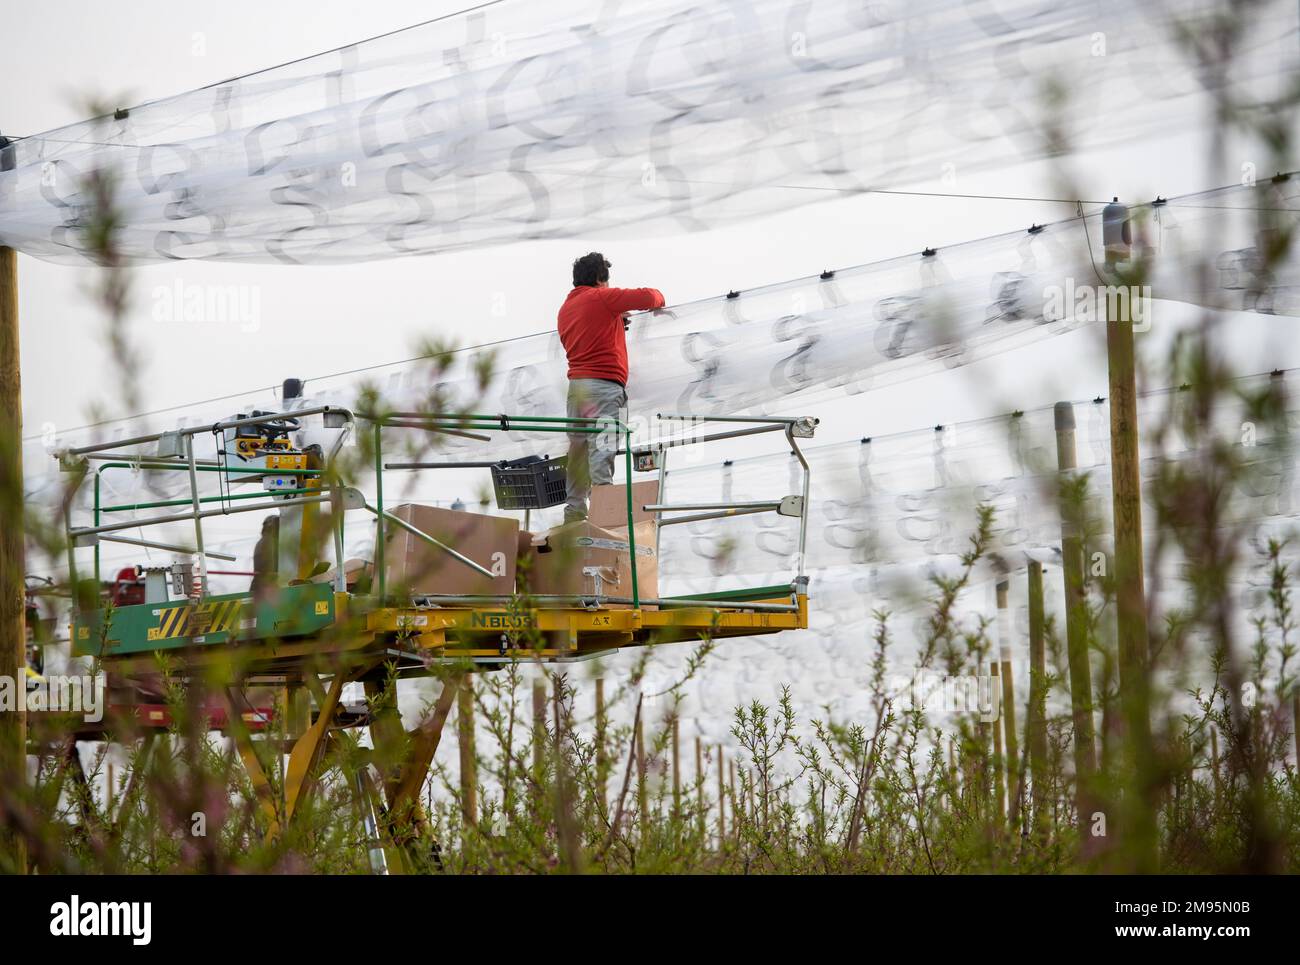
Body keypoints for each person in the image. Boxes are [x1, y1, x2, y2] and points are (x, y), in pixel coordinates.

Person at [557, 252, 665, 522]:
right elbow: (650, 297)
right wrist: (656, 298)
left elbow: (589, 333)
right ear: (598, 279)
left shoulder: (566, 309)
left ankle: (574, 515)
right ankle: (605, 518)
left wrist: (614, 319)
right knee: (602, 452)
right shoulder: (602, 298)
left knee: (579, 453)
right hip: (604, 388)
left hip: (577, 389)